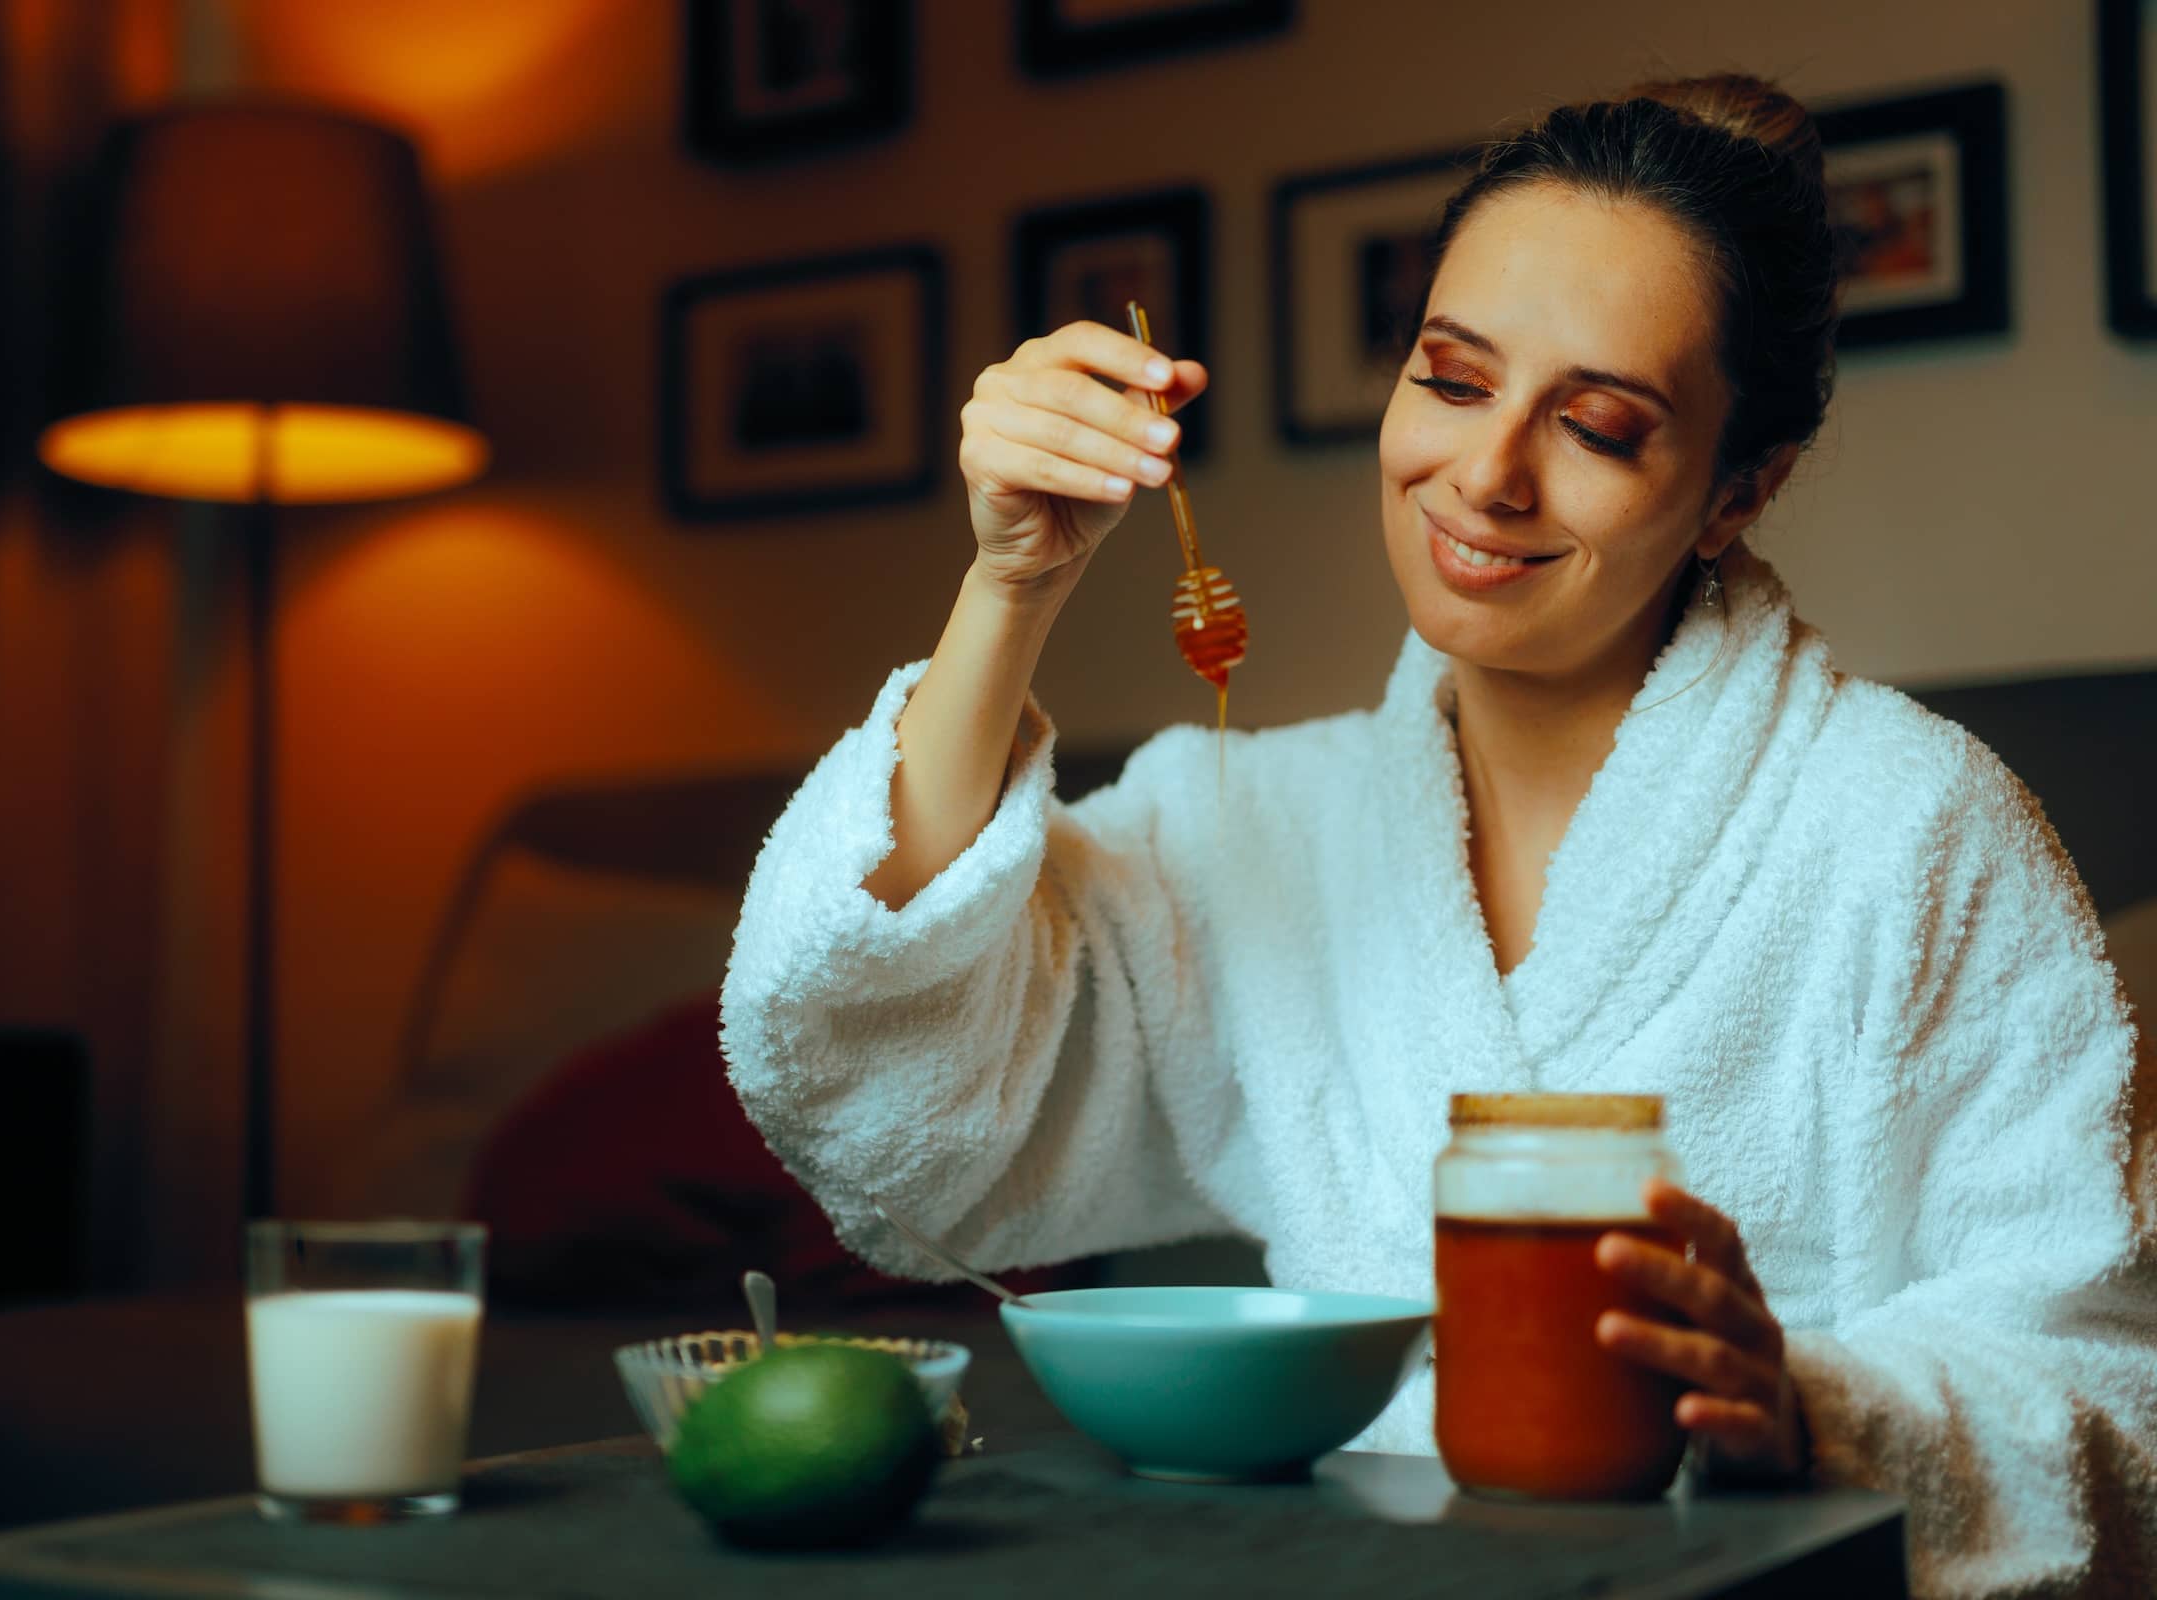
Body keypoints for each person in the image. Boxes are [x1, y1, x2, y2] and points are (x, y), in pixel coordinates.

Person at [718, 74, 2155, 1596]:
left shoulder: (1909, 826)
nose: (1485, 475)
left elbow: (2112, 1385)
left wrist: (1817, 1411)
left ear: (1740, 488)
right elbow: (892, 1096)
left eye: (1597, 424)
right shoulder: (1264, 824)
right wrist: (1008, 590)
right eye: (1454, 380)